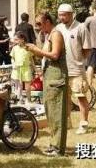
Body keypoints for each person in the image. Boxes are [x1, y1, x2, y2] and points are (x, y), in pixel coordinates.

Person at [24, 11, 67, 157]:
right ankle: (54, 144)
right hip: (50, 77)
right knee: (51, 113)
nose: (37, 27)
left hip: (56, 79)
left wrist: (37, 50)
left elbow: (55, 55)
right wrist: (31, 49)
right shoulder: (48, 35)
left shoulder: (56, 34)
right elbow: (44, 55)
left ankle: (58, 148)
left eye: (39, 23)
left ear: (47, 22)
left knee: (57, 114)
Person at [55, 4, 90, 135]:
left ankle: (83, 123)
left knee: (80, 97)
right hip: (62, 69)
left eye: (64, 15)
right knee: (65, 98)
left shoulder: (81, 27)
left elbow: (87, 49)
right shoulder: (58, 28)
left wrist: (79, 61)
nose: (61, 17)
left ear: (71, 15)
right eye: (60, 15)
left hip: (77, 69)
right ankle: (67, 122)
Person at [11, 31, 34, 104]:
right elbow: (12, 58)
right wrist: (13, 64)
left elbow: (31, 59)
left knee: (27, 86)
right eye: (15, 39)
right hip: (17, 69)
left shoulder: (28, 48)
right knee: (19, 86)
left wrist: (35, 68)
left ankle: (28, 99)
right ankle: (19, 99)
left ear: (22, 39)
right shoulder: (14, 48)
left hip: (26, 68)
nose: (15, 41)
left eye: (17, 39)